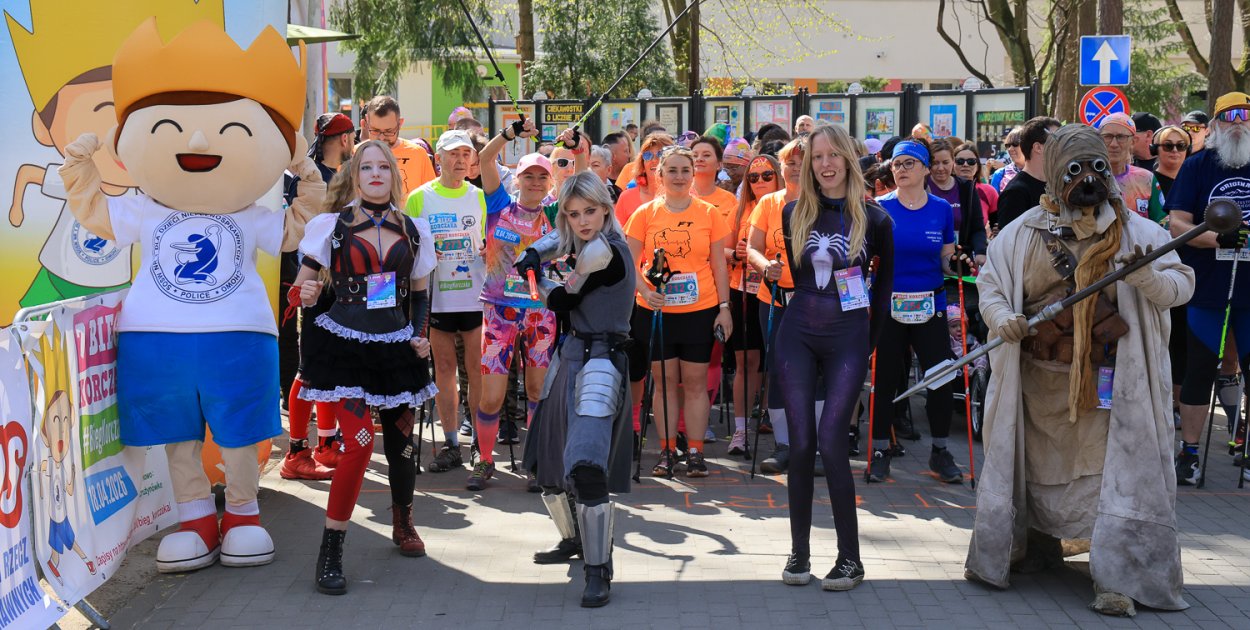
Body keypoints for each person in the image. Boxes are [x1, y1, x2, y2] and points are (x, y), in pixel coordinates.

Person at [59, 21, 324, 575]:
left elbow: (299, 227)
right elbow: (96, 213)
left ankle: (244, 513)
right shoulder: (144, 208)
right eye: (172, 128)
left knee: (239, 432)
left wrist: (306, 171)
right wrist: (79, 167)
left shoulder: (251, 215)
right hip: (156, 339)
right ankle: (197, 519)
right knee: (177, 436)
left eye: (229, 129)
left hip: (238, 336)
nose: (199, 142)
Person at [967, 123, 1193, 616]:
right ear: (1053, 175)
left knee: (1110, 475)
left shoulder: (1139, 233)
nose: (1087, 179)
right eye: (1074, 170)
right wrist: (1003, 318)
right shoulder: (1022, 234)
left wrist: (1147, 279)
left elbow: (1181, 286)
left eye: (1096, 167)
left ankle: (1118, 575)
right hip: (1040, 389)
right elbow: (991, 287)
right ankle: (1038, 545)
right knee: (1040, 468)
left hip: (1112, 390)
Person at [293, 140, 437, 594]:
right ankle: (331, 549)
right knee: (357, 444)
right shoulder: (330, 226)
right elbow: (301, 287)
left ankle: (403, 520)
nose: (376, 174)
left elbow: (420, 295)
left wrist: (419, 335)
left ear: (394, 175)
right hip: (344, 347)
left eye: (384, 167)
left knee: (401, 446)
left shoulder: (414, 230)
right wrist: (307, 293)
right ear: (355, 177)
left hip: (396, 348)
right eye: (367, 167)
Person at [774, 123, 894, 592]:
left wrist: (868, 343)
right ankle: (799, 553)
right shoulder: (792, 212)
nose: (825, 164)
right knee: (801, 444)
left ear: (848, 158)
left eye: (833, 155)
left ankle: (850, 559)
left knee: (831, 442)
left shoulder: (876, 220)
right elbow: (798, 275)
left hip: (849, 336)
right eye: (817, 156)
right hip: (797, 334)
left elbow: (883, 291)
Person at [518, 171, 636, 607]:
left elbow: (561, 300)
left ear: (605, 209)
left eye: (590, 211)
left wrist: (536, 276)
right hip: (569, 357)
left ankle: (598, 568)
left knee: (586, 466)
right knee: (546, 464)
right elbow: (558, 240)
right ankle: (574, 539)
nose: (582, 220)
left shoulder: (608, 251)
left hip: (601, 360)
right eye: (573, 213)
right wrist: (533, 252)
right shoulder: (584, 237)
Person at [468, 125, 578, 491]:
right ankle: (484, 460)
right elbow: (485, 158)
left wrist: (574, 147)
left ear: (550, 182)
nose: (534, 182)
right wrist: (509, 133)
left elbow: (580, 179)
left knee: (536, 391)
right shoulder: (499, 204)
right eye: (528, 175)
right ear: (517, 179)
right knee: (491, 396)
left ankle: (535, 463)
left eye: (541, 176)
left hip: (540, 312)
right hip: (499, 311)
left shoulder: (556, 212)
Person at [625, 145, 734, 477]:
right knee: (664, 383)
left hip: (700, 309)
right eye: (671, 170)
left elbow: (719, 265)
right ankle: (668, 450)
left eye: (685, 170)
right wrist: (645, 290)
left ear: (693, 174)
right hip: (656, 311)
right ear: (660, 174)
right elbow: (630, 263)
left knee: (696, 382)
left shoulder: (709, 213)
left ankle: (696, 452)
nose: (679, 176)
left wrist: (724, 308)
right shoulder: (644, 214)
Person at [1166, 91, 1250, 486]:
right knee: (1199, 368)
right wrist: (1216, 238)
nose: (1238, 123)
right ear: (1215, 124)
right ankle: (1190, 453)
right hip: (1207, 285)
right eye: (1229, 117)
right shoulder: (1197, 165)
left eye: (1245, 116)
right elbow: (1177, 224)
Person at [868, 140, 963, 484]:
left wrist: (957, 262)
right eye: (897, 164)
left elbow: (946, 259)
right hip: (890, 305)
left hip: (930, 304)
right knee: (885, 379)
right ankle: (880, 450)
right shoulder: (879, 208)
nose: (901, 169)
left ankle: (940, 451)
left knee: (940, 376)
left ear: (925, 169)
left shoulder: (941, 209)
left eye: (910, 163)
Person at [404, 130, 490, 474]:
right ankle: (452, 444)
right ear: (439, 158)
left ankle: (481, 444)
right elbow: (406, 247)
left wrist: (488, 249)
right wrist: (424, 253)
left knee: (477, 369)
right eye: (453, 154)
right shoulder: (419, 198)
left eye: (466, 154)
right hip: (438, 297)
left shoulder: (480, 196)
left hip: (474, 295)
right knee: (443, 369)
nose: (460, 160)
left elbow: (490, 241)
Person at [280, 112, 356, 481]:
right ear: (345, 139)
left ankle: (326, 444)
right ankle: (296, 451)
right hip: (317, 284)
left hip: (339, 285)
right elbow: (308, 239)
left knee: (332, 371)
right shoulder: (315, 179)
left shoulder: (328, 175)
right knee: (308, 371)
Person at [746, 143, 807, 472]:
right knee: (780, 371)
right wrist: (764, 264)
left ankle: (814, 445)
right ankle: (783, 445)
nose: (795, 167)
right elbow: (752, 248)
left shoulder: (825, 201)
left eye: (801, 162)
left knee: (816, 371)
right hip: (775, 299)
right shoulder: (768, 203)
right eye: (789, 162)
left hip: (816, 301)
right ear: (781, 168)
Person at [925, 138, 987, 264]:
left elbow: (977, 227)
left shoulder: (967, 187)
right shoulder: (922, 186)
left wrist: (980, 252)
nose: (940, 168)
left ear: (953, 161)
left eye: (945, 162)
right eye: (935, 163)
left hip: (961, 260)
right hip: (929, 259)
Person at [362, 95, 436, 196]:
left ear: (400, 124)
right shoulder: (355, 154)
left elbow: (431, 197)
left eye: (389, 131)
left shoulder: (418, 154)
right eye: (375, 130)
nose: (382, 138)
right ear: (367, 121)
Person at [997, 117, 1060, 228]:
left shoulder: (1058, 186)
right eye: (1057, 141)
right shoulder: (1015, 193)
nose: (1063, 147)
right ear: (1038, 147)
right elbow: (1011, 237)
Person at [1098, 114, 1162, 220]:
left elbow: (1162, 221)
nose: (1114, 144)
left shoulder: (1147, 179)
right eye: (1107, 136)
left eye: (1121, 137)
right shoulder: (1088, 178)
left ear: (1133, 142)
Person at [614, 132, 674, 225]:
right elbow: (616, 233)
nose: (654, 160)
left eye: (660, 155)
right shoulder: (626, 197)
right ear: (642, 163)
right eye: (647, 155)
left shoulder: (685, 196)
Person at [952, 142, 999, 228]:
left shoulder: (989, 191)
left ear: (977, 165)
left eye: (971, 161)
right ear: (952, 164)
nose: (965, 165)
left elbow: (996, 224)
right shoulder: (943, 189)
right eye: (960, 161)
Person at [989, 127, 1024, 192]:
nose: (1010, 149)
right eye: (1008, 145)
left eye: (1015, 144)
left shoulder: (1040, 172)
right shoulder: (999, 174)